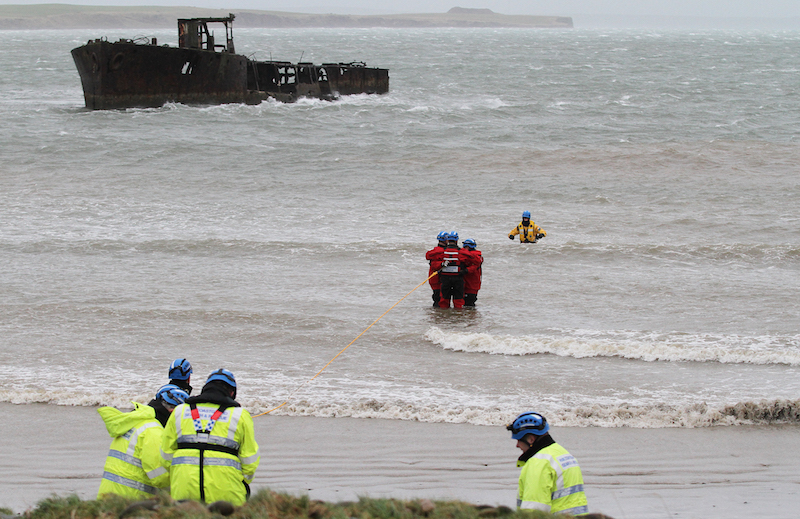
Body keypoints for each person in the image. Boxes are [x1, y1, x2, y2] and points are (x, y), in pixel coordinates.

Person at [160, 369, 260, 506]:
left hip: (184, 489)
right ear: (232, 393)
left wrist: (179, 475)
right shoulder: (240, 416)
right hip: (226, 493)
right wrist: (240, 480)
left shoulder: (180, 411)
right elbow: (250, 461)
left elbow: (165, 455)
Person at [97, 384, 189, 499]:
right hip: (129, 499)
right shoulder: (153, 431)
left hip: (108, 495)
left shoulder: (134, 422)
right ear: (173, 412)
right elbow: (160, 477)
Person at [507, 412, 589, 516]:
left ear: (531, 439)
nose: (517, 445)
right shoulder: (564, 454)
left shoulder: (538, 463)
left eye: (519, 440)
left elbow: (534, 510)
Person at [425, 232, 448, 307]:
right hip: (439, 279)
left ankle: (437, 315)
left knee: (437, 297)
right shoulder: (443, 252)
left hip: (433, 278)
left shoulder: (433, 252)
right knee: (439, 299)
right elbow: (436, 265)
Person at [461, 239, 483, 307]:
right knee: (469, 303)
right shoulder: (478, 256)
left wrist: (465, 270)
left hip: (470, 284)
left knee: (468, 303)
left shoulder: (476, 256)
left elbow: (474, 267)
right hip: (471, 284)